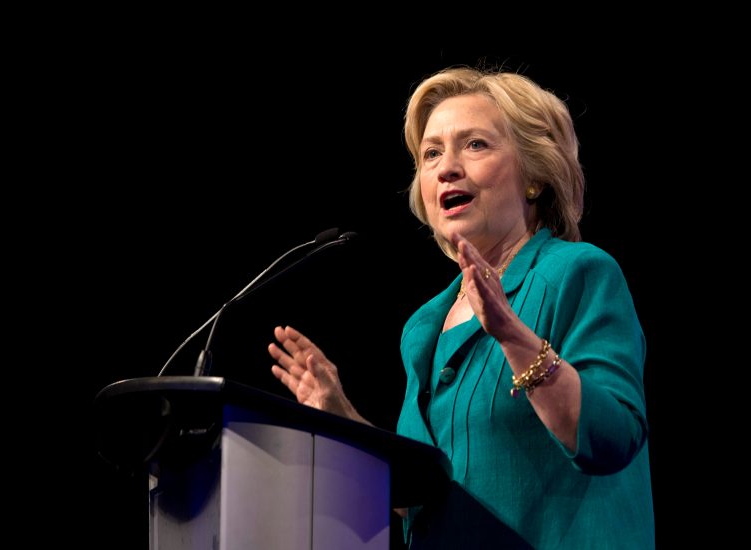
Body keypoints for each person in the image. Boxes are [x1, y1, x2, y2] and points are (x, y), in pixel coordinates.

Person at [268, 66, 655, 549]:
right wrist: (343, 419)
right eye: (431, 154)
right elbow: (424, 499)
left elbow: (612, 437)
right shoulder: (423, 328)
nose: (446, 167)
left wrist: (515, 338)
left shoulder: (577, 274)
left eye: (475, 145)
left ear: (534, 176)